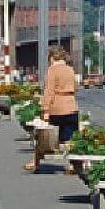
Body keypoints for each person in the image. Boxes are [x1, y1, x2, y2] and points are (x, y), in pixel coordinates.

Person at [27, 45, 80, 173]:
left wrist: (45, 110)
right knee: (70, 139)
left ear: (52, 57)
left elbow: (49, 91)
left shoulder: (52, 70)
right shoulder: (70, 70)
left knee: (43, 136)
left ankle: (36, 162)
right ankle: (72, 165)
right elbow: (75, 88)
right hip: (71, 107)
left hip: (56, 108)